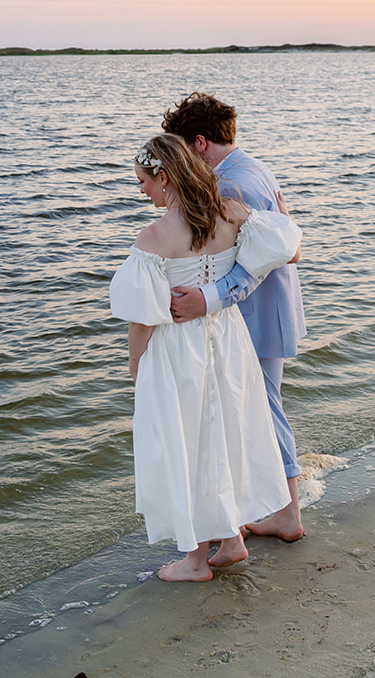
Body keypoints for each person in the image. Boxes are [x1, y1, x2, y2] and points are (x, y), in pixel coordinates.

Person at [109, 133, 300, 582]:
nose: (141, 191)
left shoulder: (155, 236)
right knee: (223, 432)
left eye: (144, 181)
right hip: (227, 339)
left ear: (165, 176)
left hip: (177, 347)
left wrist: (135, 363)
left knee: (185, 441)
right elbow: (285, 247)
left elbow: (142, 318)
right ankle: (231, 538)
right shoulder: (229, 216)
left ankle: (195, 561)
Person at [162, 93, 307, 552]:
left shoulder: (229, 187)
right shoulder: (252, 168)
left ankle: (286, 515)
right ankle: (271, 511)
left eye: (182, 149)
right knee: (262, 409)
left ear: (199, 143)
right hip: (272, 309)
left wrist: (207, 298)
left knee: (265, 411)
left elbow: (260, 262)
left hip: (257, 314)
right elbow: (284, 243)